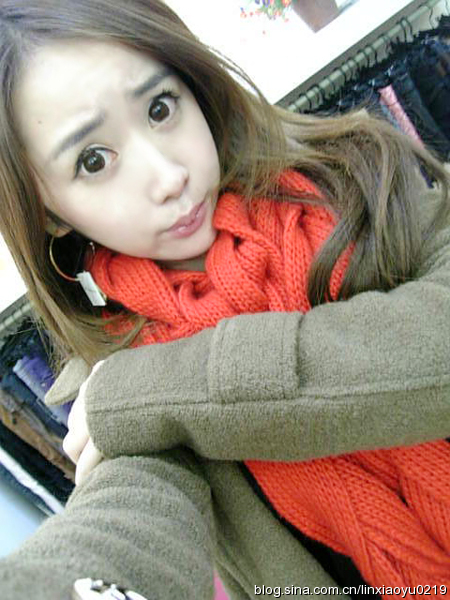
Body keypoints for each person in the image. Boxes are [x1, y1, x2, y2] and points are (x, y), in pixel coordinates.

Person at [0, 0, 449, 598]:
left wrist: (158, 389)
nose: (169, 176)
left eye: (160, 108)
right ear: (49, 214)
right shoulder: (111, 389)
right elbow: (128, 527)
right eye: (94, 160)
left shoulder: (358, 176)